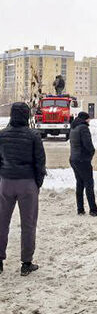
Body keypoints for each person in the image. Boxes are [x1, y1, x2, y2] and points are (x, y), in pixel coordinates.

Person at [0, 103, 46, 276]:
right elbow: (40, 162)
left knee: (2, 222)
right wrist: (37, 183)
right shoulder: (33, 135)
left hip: (6, 182)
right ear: (27, 115)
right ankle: (26, 263)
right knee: (28, 224)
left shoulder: (2, 135)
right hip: (27, 183)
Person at [70, 111, 97, 217]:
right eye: (88, 119)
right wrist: (91, 153)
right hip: (83, 160)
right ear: (85, 119)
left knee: (79, 184)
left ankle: (80, 209)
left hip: (74, 159)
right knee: (89, 184)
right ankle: (93, 210)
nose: (89, 121)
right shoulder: (83, 128)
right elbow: (88, 144)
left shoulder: (73, 127)